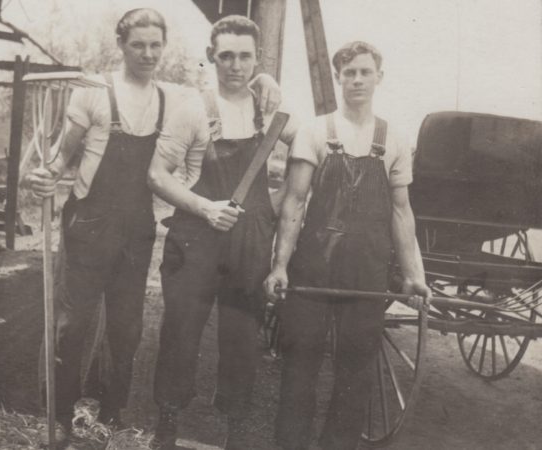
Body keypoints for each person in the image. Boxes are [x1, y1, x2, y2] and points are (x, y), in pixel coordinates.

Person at [25, 8, 281, 439]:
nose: (147, 53)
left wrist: (264, 79)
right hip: (89, 222)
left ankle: (111, 415)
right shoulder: (93, 92)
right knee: (73, 325)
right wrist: (43, 176)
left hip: (136, 228)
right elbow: (58, 157)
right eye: (138, 44)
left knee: (126, 329)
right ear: (121, 45)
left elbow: (230, 79)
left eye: (155, 45)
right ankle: (61, 416)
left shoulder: (170, 97)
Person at [263, 41, 431, 450]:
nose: (356, 79)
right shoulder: (316, 131)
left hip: (367, 275)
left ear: (378, 77)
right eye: (349, 72)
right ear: (338, 77)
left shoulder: (394, 140)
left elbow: (401, 213)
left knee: (355, 373)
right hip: (313, 271)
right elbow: (294, 203)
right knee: (300, 366)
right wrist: (280, 265)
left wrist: (413, 276)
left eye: (364, 72)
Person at [147, 15, 298, 450]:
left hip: (247, 243)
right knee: (179, 333)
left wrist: (276, 199)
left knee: (241, 339)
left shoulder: (269, 111)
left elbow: (313, 150)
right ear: (212, 57)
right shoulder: (193, 109)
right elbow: (157, 175)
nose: (235, 65)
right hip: (195, 238)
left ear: (257, 60)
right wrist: (203, 207)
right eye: (226, 55)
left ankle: (235, 430)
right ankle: (168, 425)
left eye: (245, 57)